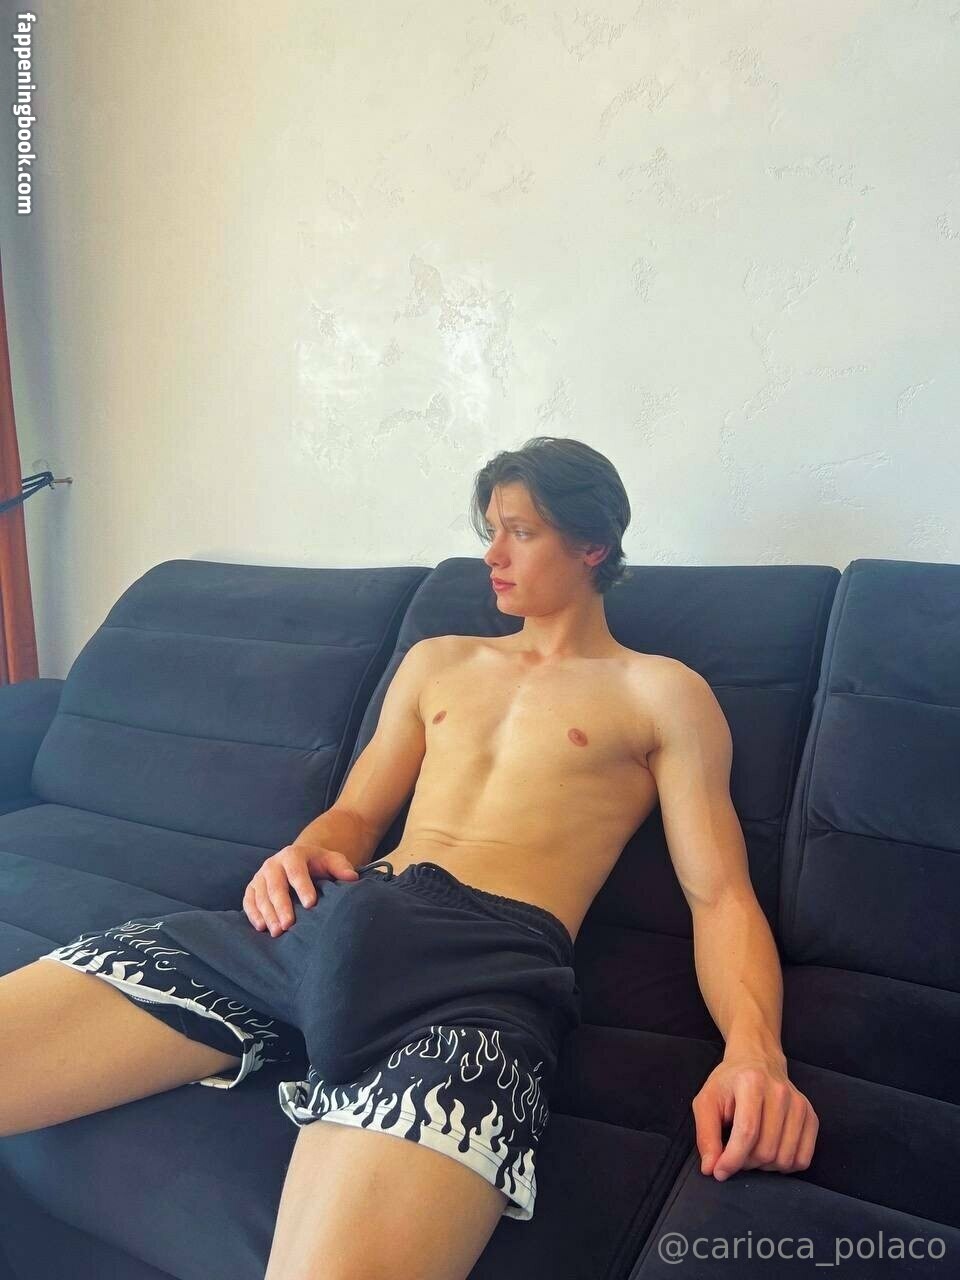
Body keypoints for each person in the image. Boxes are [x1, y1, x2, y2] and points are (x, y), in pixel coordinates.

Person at [0, 436, 818, 1280]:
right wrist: (305, 851)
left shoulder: (661, 692)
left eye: (520, 533)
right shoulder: (438, 663)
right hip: (320, 923)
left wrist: (754, 1054)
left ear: (593, 545)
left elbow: (721, 896)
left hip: (477, 973)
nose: (492, 556)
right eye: (491, 531)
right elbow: (357, 814)